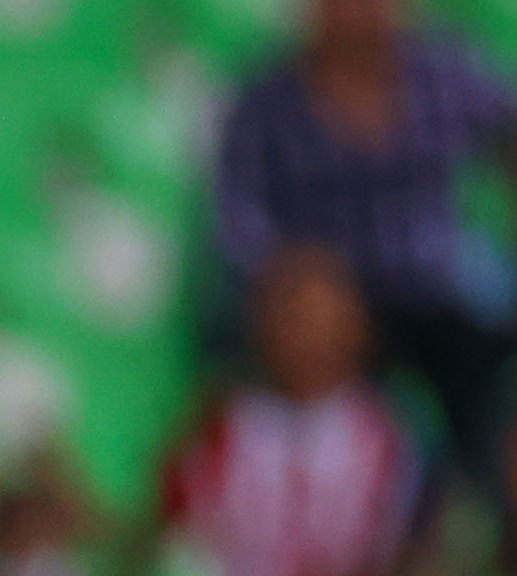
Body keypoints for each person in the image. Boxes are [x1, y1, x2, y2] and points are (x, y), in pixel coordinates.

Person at [211, 0, 517, 501]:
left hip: (437, 294)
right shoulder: (268, 100)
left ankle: (474, 521)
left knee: (485, 386)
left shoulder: (445, 75)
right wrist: (295, 277)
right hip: (331, 308)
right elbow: (237, 222)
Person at [168, 245, 423, 576]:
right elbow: (180, 547)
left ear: (359, 333)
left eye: (326, 322)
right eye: (292, 318)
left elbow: (394, 569)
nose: (306, 339)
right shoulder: (221, 427)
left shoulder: (387, 442)